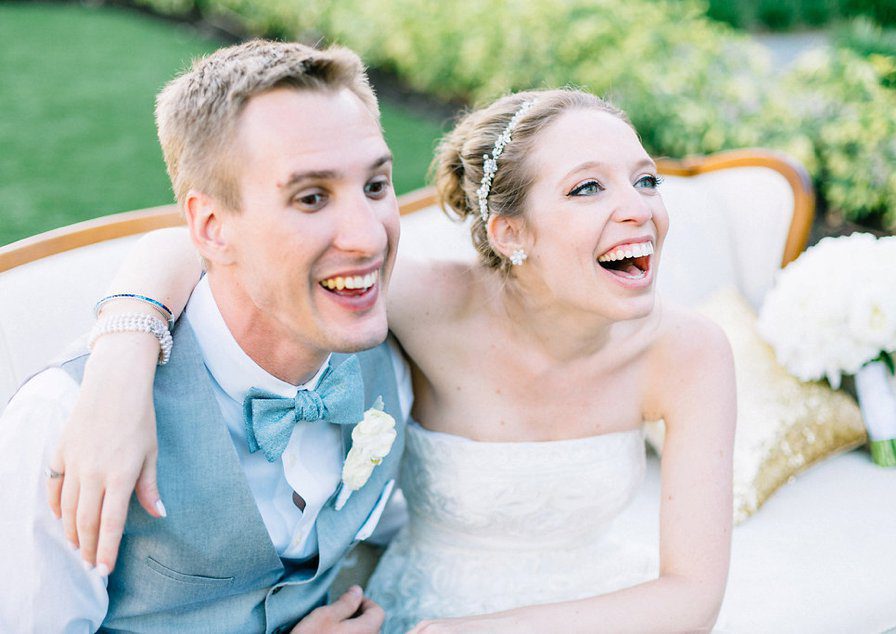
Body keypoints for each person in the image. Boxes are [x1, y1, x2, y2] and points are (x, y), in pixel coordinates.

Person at [46, 88, 737, 632]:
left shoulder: (691, 353)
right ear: (510, 232)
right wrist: (119, 372)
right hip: (416, 602)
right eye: (589, 188)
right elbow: (201, 251)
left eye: (645, 181)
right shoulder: (424, 303)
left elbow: (693, 597)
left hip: (591, 614)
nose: (639, 210)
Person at [0, 40, 414, 633]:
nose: (369, 237)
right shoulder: (63, 424)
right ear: (213, 228)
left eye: (376, 186)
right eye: (312, 197)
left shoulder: (395, 354)